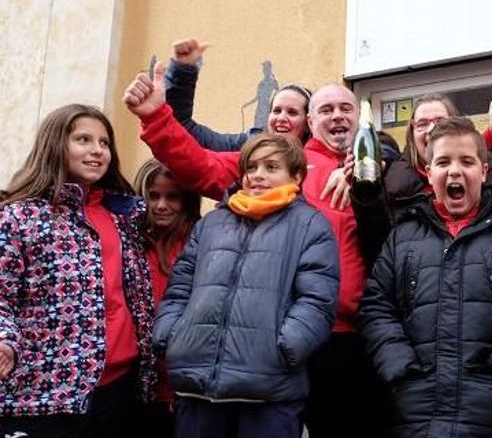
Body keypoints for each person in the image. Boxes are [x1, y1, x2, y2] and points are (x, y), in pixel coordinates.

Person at [124, 68, 389, 437]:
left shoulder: (373, 169)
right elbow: (194, 162)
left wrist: (377, 162)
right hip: (259, 350)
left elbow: (429, 165)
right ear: (312, 122)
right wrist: (155, 116)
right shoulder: (260, 175)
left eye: (346, 108)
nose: (337, 116)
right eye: (326, 109)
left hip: (343, 341)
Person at [358, 117, 492, 437]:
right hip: (417, 410)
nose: (454, 171)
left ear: (483, 172)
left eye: (466, 161)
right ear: (429, 174)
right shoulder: (403, 237)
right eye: (443, 162)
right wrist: (400, 368)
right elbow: (376, 308)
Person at [152, 133, 339, 438]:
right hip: (198, 387)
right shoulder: (212, 223)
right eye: (251, 167)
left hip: (268, 392)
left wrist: (283, 349)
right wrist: (169, 337)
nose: (258, 175)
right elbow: (180, 288)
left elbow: (317, 302)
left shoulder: (310, 225)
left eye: (271, 167)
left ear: (296, 175)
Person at [0, 104, 156, 438]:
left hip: (120, 391)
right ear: (55, 145)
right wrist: (2, 340)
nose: (97, 150)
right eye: (83, 140)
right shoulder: (17, 218)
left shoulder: (126, 216)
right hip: (42, 393)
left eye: (104, 143)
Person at [133, 158, 202, 437]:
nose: (161, 205)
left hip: (182, 384)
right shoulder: (130, 243)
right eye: (153, 196)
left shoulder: (199, 244)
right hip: (137, 386)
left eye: (172, 197)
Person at [383, 93, 492, 220]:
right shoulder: (394, 186)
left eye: (440, 122)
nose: (431, 129)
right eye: (422, 124)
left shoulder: (483, 169)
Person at [165, 39, 313, 150]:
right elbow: (183, 130)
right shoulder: (247, 145)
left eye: (292, 112)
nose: (281, 118)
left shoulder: (324, 161)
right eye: (276, 110)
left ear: (308, 123)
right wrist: (183, 71)